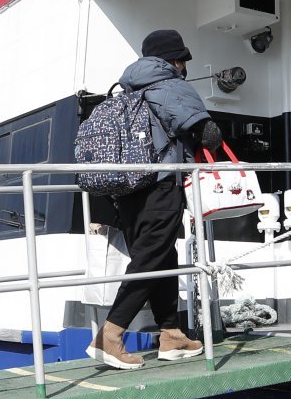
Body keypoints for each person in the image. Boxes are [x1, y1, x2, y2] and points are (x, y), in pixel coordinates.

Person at [86, 29, 222, 369]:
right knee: (151, 258)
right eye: (183, 60)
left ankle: (171, 333)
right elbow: (208, 133)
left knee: (160, 255)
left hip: (128, 189)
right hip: (161, 184)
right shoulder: (170, 84)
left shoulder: (126, 89)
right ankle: (111, 334)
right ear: (174, 60)